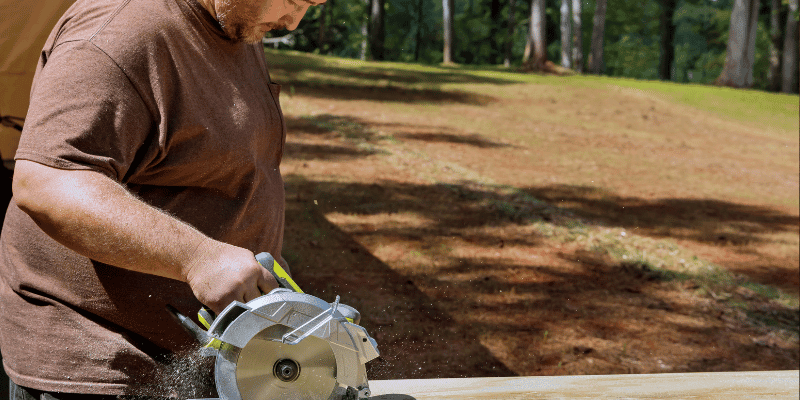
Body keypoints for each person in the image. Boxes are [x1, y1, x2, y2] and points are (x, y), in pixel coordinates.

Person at [0, 0, 323, 398]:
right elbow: (48, 181)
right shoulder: (121, 33)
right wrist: (198, 256)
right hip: (103, 370)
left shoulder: (235, 20)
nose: (295, 20)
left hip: (195, 359)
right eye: (293, 0)